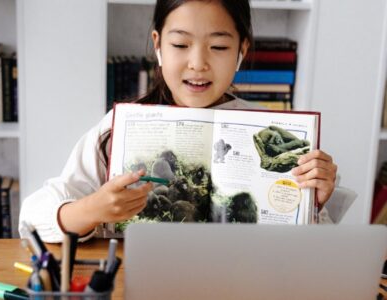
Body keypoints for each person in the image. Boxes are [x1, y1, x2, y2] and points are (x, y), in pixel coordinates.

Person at [19, 0, 337, 243]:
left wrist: (313, 203)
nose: (198, 63)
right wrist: (94, 209)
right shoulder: (118, 127)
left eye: (219, 47)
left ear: (242, 49)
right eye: (181, 45)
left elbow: (317, 254)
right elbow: (30, 219)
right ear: (158, 45)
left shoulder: (272, 133)